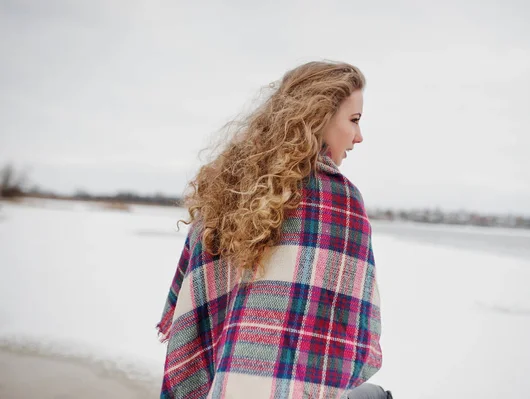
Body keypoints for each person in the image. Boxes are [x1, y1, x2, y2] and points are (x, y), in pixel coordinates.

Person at [157, 61, 391, 398]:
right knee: (377, 395)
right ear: (319, 117)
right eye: (353, 120)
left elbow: (195, 314)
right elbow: (347, 334)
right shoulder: (338, 199)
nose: (358, 137)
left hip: (226, 390)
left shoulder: (228, 189)